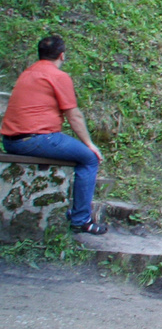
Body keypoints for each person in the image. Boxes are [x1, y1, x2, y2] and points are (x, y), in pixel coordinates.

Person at [1, 34, 107, 234]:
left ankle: (77, 212)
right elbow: (73, 115)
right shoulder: (58, 76)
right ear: (62, 55)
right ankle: (81, 219)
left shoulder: (27, 73)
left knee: (81, 155)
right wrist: (89, 144)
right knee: (89, 159)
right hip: (35, 139)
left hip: (10, 141)